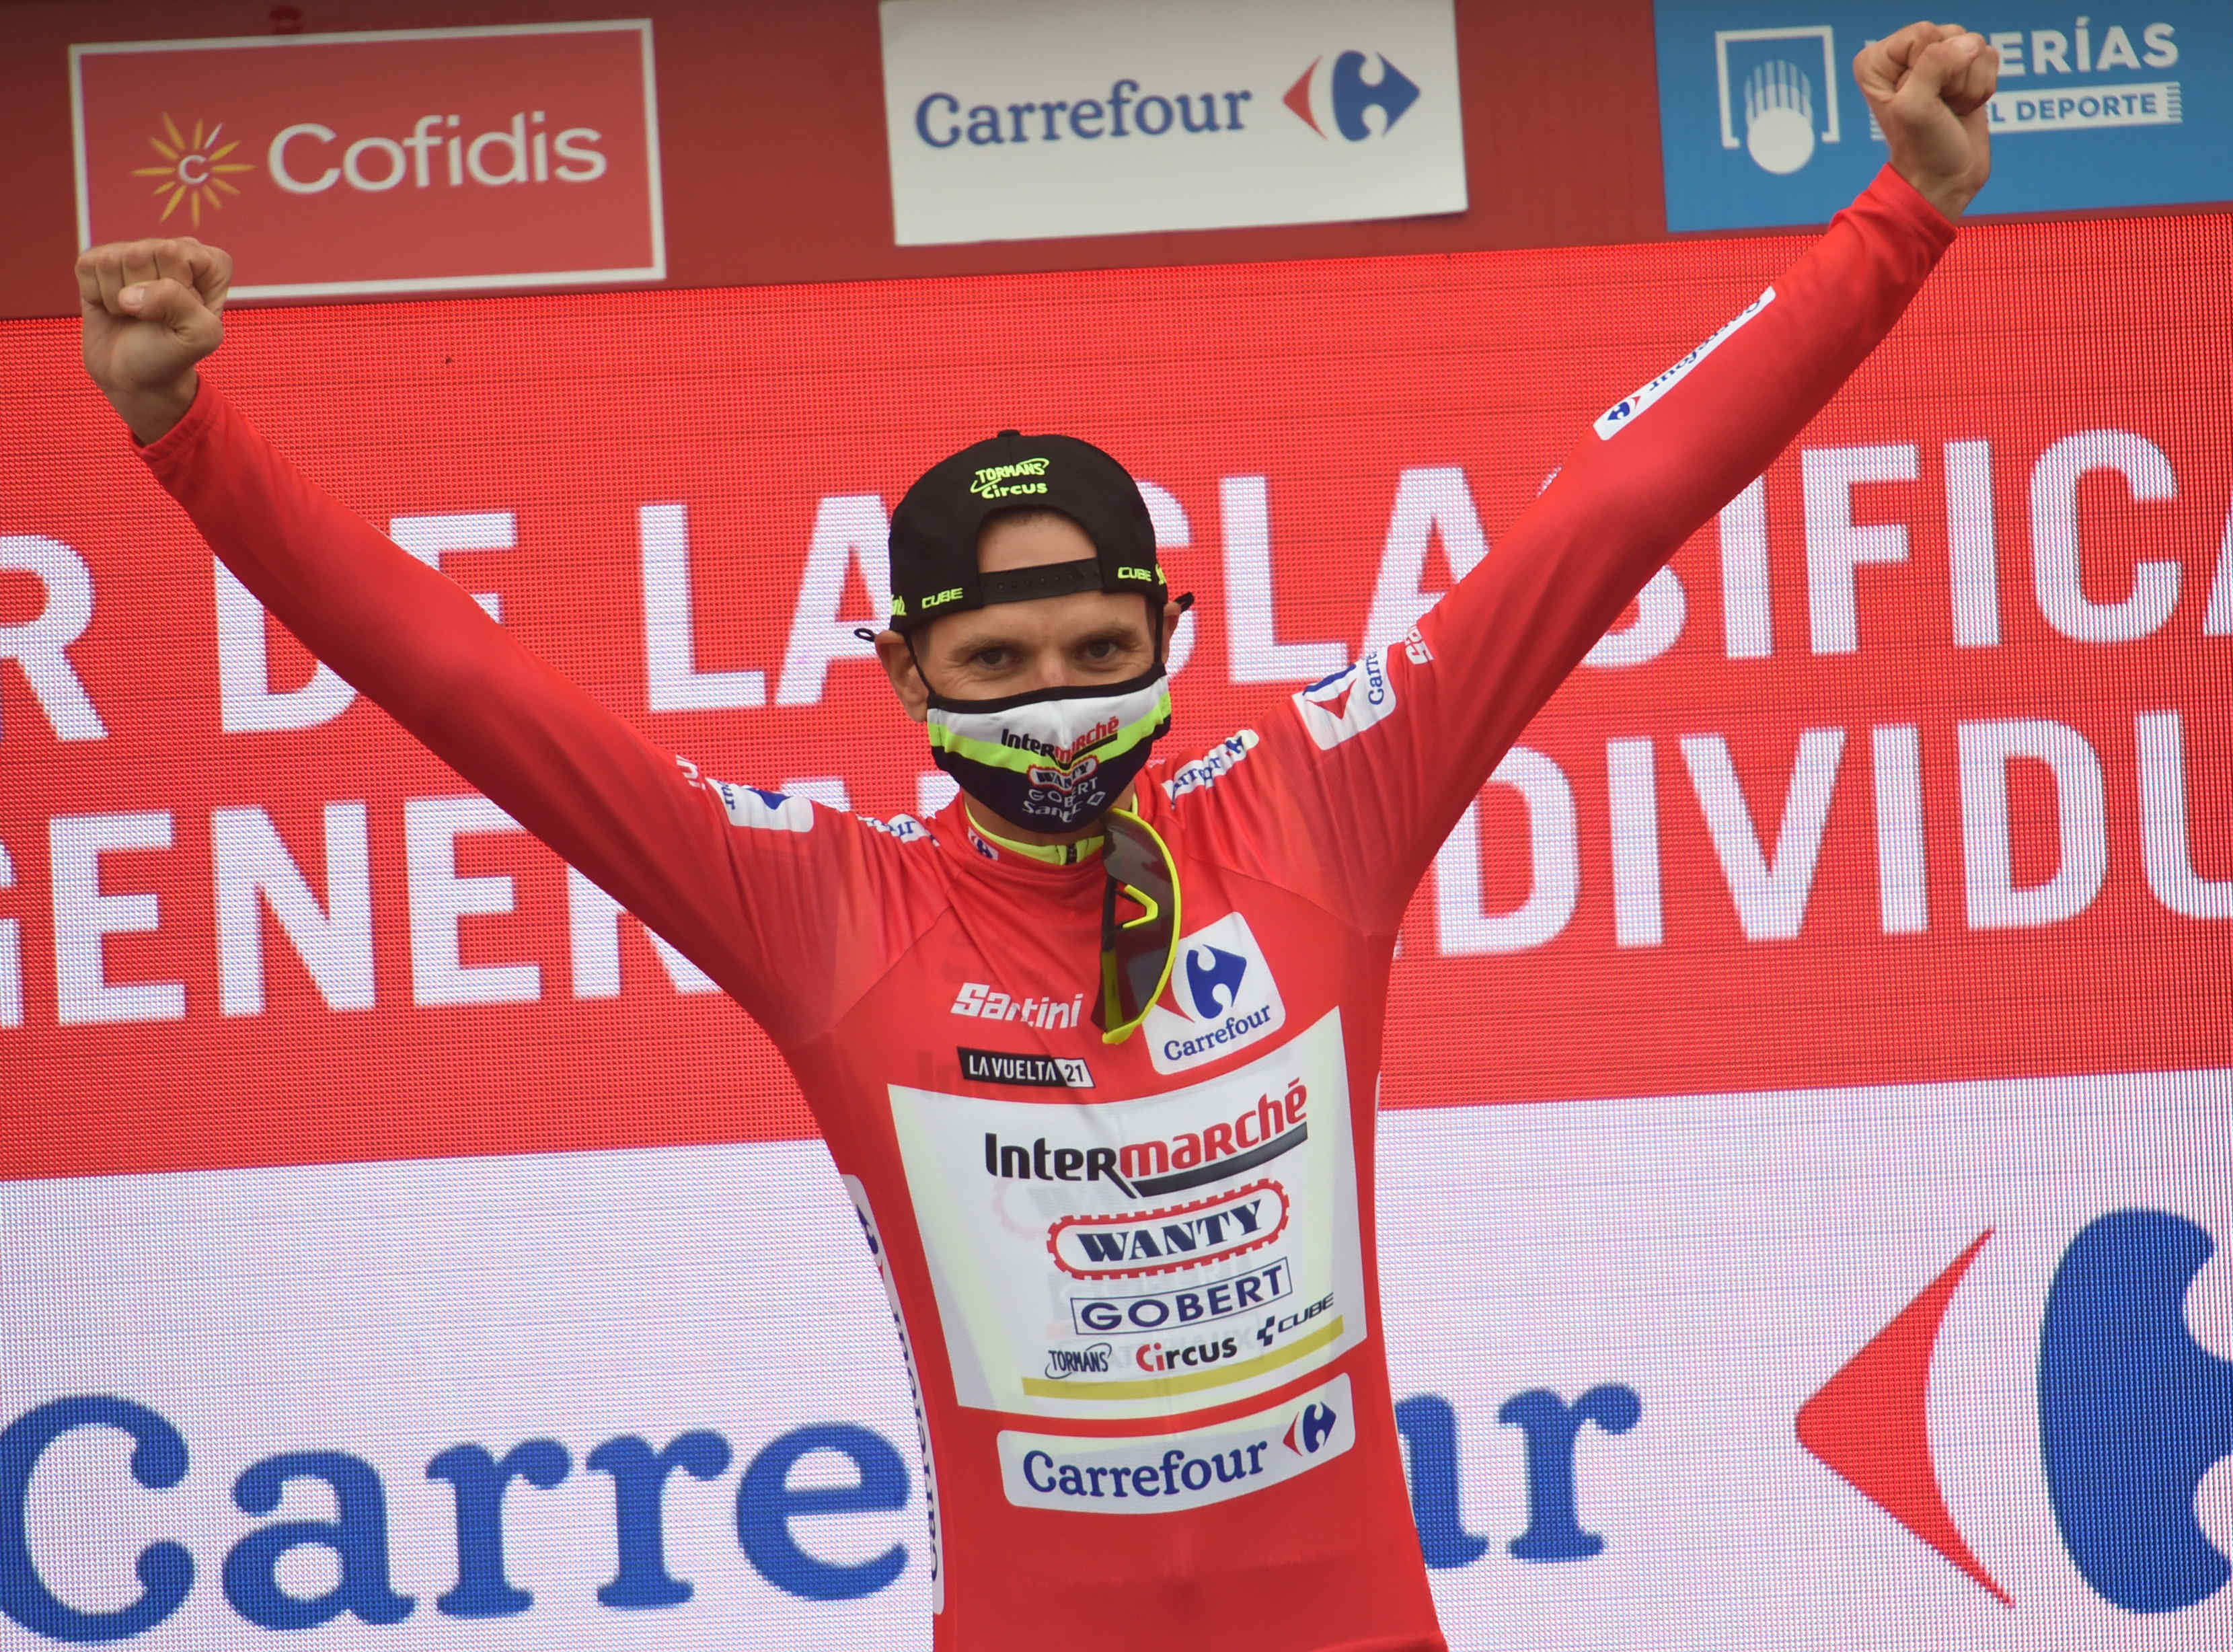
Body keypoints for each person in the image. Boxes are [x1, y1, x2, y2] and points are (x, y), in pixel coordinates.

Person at [74, 23, 1998, 1652]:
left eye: (1097, 651)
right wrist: (190, 437)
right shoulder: (825, 911)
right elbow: (476, 688)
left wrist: (1900, 221)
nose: (1057, 702)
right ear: (904, 676)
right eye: (998, 663)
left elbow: (1611, 514)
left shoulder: (1321, 810)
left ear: (1173, 637)